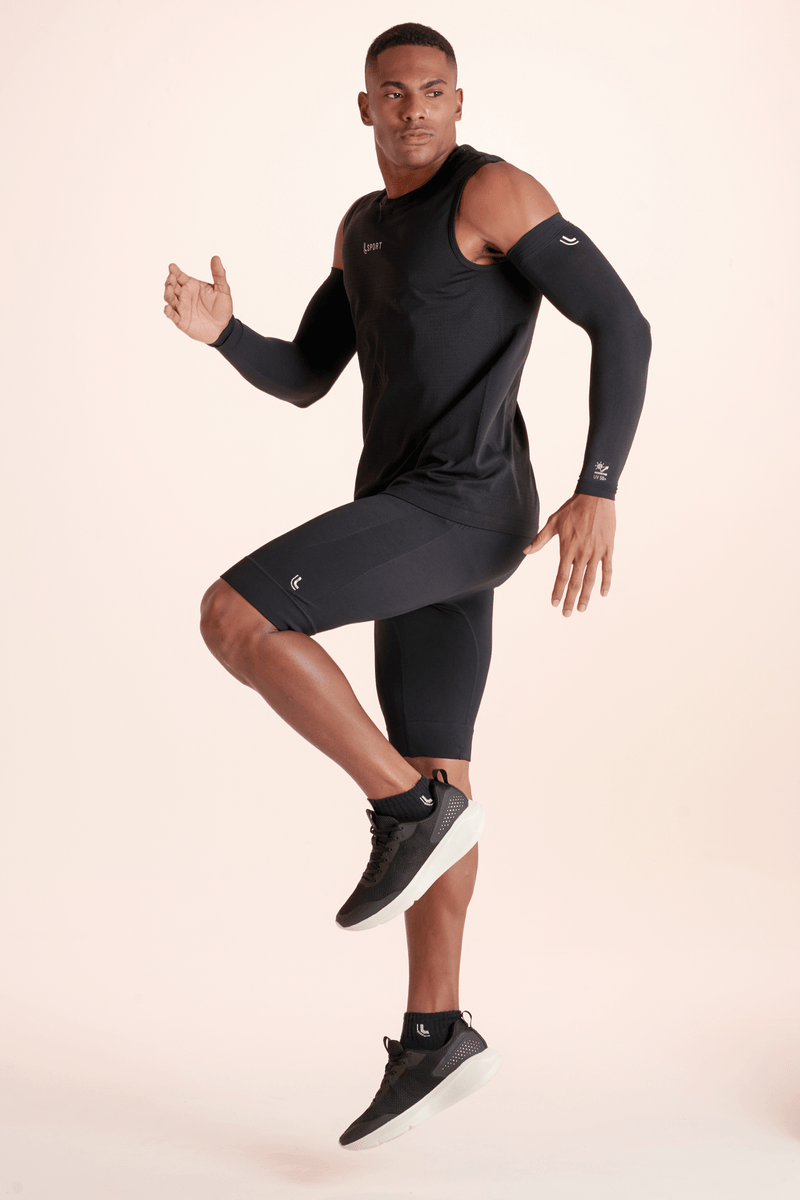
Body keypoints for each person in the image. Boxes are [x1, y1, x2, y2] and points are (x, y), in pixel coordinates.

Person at [163, 22, 651, 1151]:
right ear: (366, 108)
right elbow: (307, 375)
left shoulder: (493, 193)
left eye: (434, 91)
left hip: (466, 508)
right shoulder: (362, 226)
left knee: (235, 614)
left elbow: (620, 323)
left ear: (457, 100)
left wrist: (599, 485)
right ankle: (435, 1031)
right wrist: (225, 334)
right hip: (409, 515)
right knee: (443, 767)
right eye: (394, 93)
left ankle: (402, 811)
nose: (415, 109)